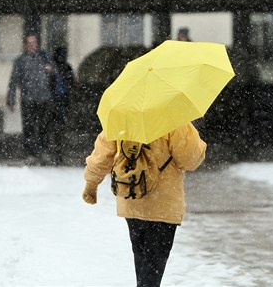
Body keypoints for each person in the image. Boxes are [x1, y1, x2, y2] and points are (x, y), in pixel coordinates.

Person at [82, 123, 206, 286]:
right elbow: (190, 160)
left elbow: (102, 156)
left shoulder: (123, 118)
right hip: (163, 205)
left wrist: (91, 183)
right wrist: (197, 140)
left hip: (131, 198)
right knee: (154, 265)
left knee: (142, 260)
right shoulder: (173, 121)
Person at [6, 33, 56, 164]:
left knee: (43, 126)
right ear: (25, 45)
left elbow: (56, 74)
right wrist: (11, 100)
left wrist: (51, 70)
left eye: (34, 43)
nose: (32, 45)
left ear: (37, 44)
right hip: (28, 99)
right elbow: (13, 81)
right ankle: (30, 153)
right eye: (29, 43)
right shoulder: (20, 61)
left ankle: (43, 152)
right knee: (29, 127)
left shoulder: (44, 57)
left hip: (44, 98)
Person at [50, 46, 75, 165]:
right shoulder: (54, 67)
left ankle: (58, 152)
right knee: (55, 127)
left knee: (59, 127)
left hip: (62, 99)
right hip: (55, 100)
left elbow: (72, 83)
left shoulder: (66, 67)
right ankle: (57, 152)